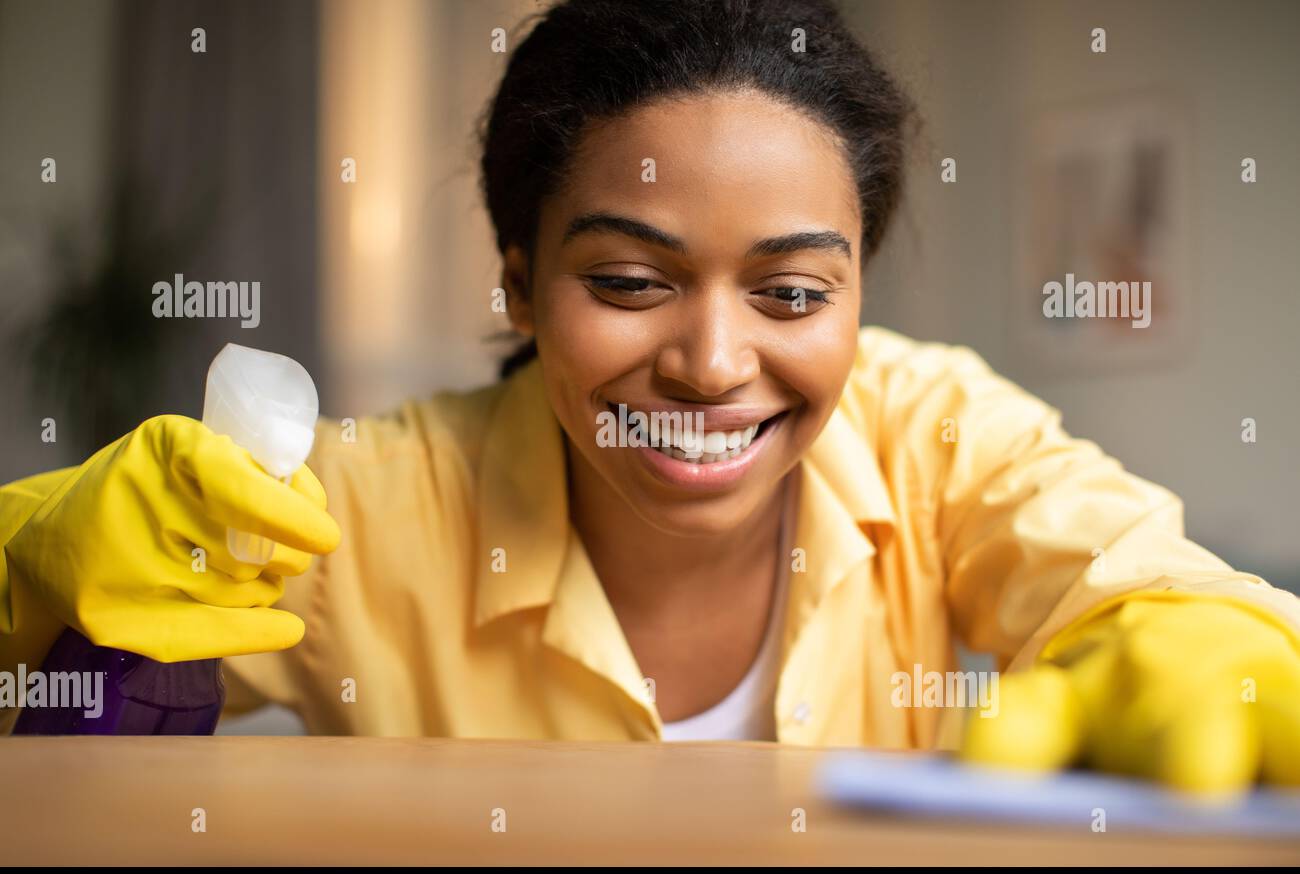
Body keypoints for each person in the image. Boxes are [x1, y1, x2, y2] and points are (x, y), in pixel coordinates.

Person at [2, 0, 1297, 793]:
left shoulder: (936, 430)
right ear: (518, 282)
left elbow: (1159, 593)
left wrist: (1219, 646)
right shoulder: (360, 504)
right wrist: (26, 576)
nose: (714, 364)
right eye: (629, 279)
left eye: (792, 294)